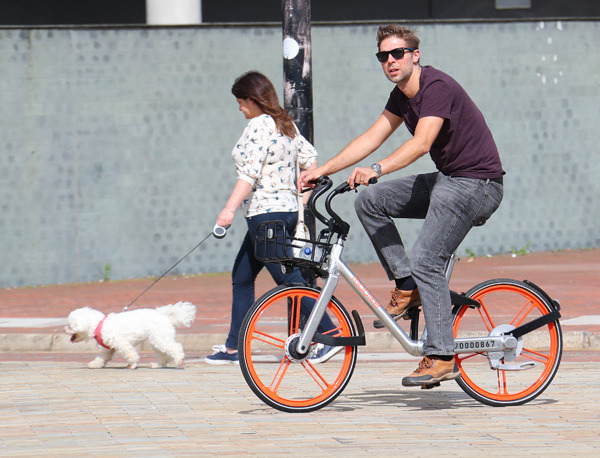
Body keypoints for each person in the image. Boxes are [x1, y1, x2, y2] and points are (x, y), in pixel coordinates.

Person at [300, 25, 504, 386]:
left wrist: (377, 168)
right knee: (371, 200)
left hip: (477, 184)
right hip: (449, 180)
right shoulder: (400, 96)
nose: (391, 61)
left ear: (415, 55)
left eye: (398, 53)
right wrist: (323, 170)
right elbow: (371, 137)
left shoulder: (436, 87)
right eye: (383, 56)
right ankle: (407, 284)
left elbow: (422, 143)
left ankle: (441, 355)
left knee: (427, 257)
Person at [205, 71, 341, 365]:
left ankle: (329, 332)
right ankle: (233, 347)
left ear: (253, 100)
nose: (239, 108)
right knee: (242, 276)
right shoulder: (286, 124)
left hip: (264, 216)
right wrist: (300, 199)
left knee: (287, 277)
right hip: (286, 213)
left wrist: (228, 209)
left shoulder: (257, 127)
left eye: (241, 102)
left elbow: (249, 174)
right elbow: (311, 160)